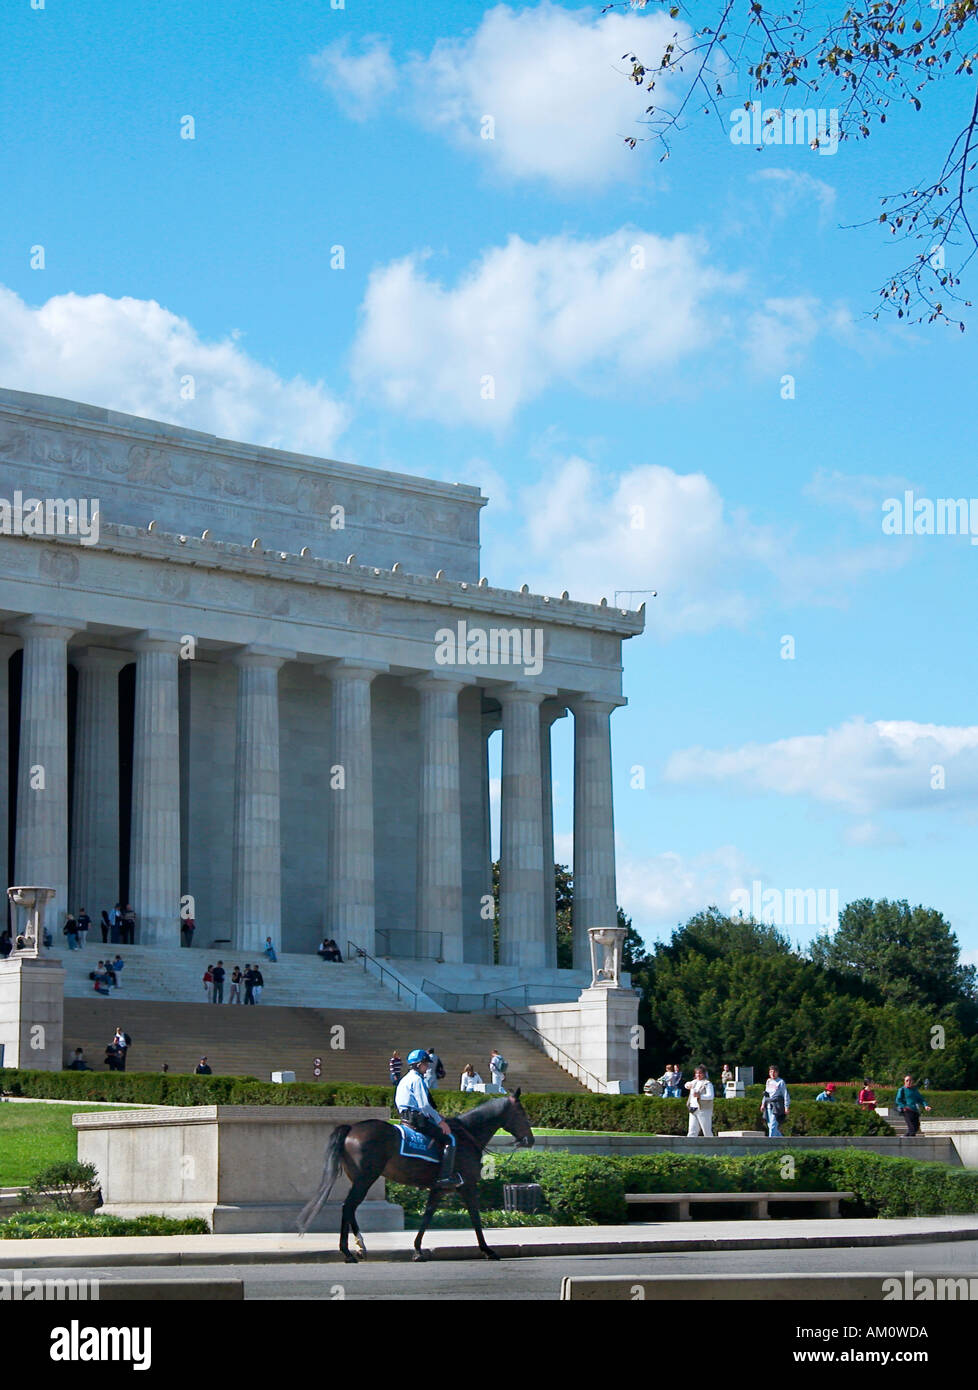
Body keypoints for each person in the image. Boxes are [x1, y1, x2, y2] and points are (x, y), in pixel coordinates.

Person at [394, 1048, 461, 1189]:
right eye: (425, 1063)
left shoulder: (404, 1079)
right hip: (416, 1118)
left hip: (404, 1117)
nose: (428, 1066)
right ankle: (445, 1177)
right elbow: (424, 1105)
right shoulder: (417, 1080)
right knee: (451, 1139)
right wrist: (440, 1121)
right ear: (418, 1064)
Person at [685, 1065, 715, 1137]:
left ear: (704, 1074)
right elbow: (686, 1085)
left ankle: (712, 1146)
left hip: (703, 1110)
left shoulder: (707, 1084)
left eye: (700, 1073)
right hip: (693, 1108)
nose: (698, 1075)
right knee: (692, 1131)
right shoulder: (694, 1082)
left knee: (706, 1131)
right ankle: (690, 1146)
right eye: (696, 1073)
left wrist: (700, 1096)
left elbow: (711, 1096)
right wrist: (688, 1085)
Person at [760, 1065, 790, 1137]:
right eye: (771, 1072)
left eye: (774, 1072)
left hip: (777, 1106)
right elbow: (766, 1094)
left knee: (773, 1126)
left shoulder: (781, 1082)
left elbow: (785, 1095)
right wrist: (763, 1104)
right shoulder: (768, 1081)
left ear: (777, 1073)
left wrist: (786, 1107)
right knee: (770, 1126)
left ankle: (770, 1144)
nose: (772, 1074)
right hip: (768, 1106)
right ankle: (783, 1142)